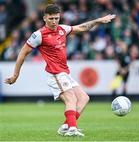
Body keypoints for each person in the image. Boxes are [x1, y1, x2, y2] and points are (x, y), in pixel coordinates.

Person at [4, 4, 116, 137]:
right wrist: (15, 75)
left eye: (56, 18)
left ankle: (66, 126)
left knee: (84, 98)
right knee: (71, 99)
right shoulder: (38, 35)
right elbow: (22, 53)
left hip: (64, 73)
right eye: (51, 18)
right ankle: (72, 130)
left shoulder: (62, 29)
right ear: (45, 18)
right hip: (54, 73)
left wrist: (97, 20)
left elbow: (82, 27)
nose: (54, 21)